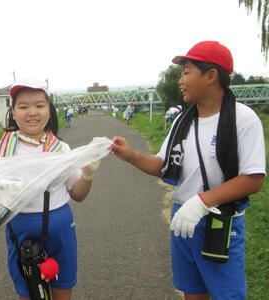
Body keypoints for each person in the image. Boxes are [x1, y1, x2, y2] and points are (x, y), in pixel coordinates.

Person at [111, 41, 265, 300]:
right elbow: (163, 165)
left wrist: (203, 201)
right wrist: (131, 156)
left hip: (220, 220)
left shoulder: (243, 118)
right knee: (191, 291)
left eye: (186, 72)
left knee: (227, 294)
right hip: (183, 218)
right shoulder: (183, 120)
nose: (180, 80)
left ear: (211, 75)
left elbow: (253, 179)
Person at [0, 80, 100, 300]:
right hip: (21, 229)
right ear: (13, 112)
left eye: (39, 105)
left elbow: (78, 195)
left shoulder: (61, 148)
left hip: (60, 228)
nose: (32, 113)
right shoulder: (0, 150)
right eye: (23, 106)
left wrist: (88, 173)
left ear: (49, 109)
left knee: (62, 289)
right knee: (28, 291)